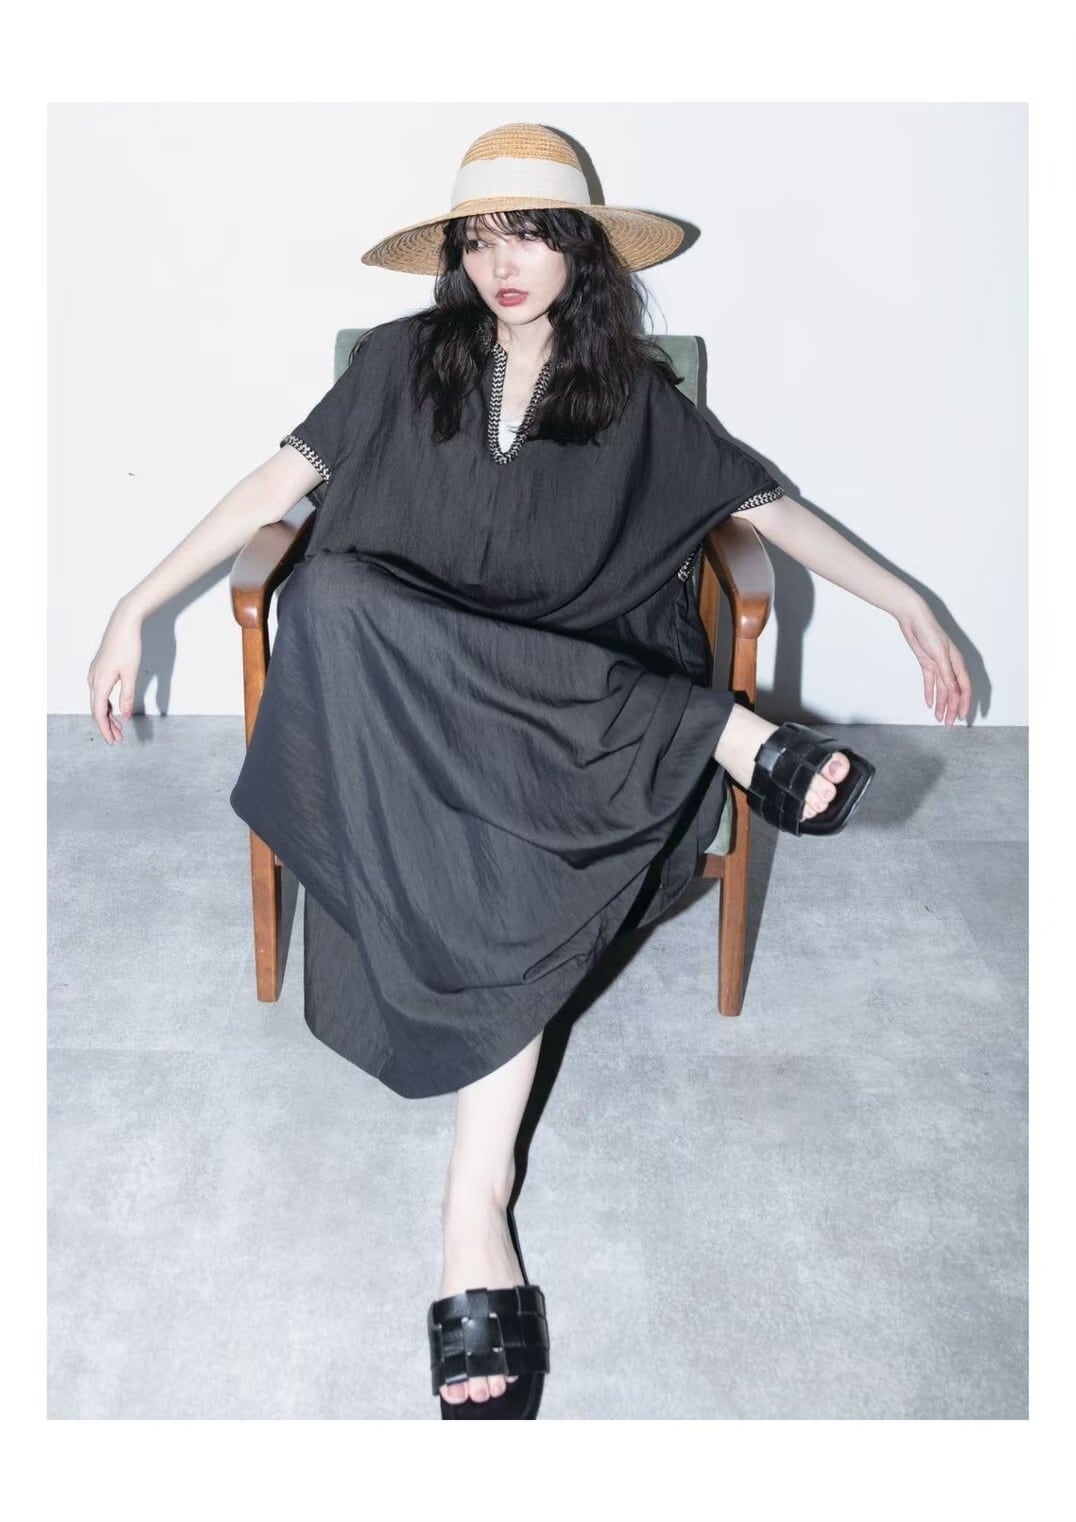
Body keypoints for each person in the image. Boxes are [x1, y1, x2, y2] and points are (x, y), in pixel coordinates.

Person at [86, 122, 973, 1419]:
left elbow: (766, 509)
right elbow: (273, 485)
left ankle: (474, 1203)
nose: (505, 265)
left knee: (480, 805)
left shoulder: (633, 395)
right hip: (414, 706)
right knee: (332, 595)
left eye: (534, 237)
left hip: (568, 721)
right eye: (482, 240)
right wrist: (135, 601)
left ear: (581, 255)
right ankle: (719, 733)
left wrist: (910, 603)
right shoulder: (399, 364)